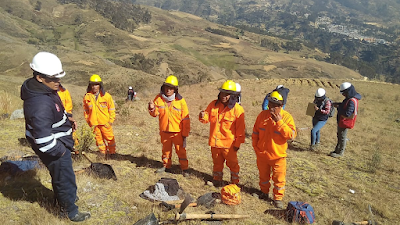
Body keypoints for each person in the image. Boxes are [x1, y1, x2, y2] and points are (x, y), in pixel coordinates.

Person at [21, 52, 90, 222]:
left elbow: (55, 109)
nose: (58, 81)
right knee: (64, 178)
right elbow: (44, 141)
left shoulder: (45, 89)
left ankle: (67, 199)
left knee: (64, 175)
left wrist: (66, 118)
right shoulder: (40, 104)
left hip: (59, 142)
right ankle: (69, 211)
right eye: (54, 78)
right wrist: (61, 152)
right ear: (39, 77)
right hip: (55, 147)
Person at [252, 89, 296, 209]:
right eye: (270, 103)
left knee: (279, 179)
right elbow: (255, 132)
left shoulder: (287, 117)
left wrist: (279, 122)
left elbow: (291, 135)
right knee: (263, 176)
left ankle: (277, 199)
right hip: (262, 154)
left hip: (278, 157)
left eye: (274, 105)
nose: (271, 107)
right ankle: (264, 192)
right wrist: (256, 147)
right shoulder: (262, 115)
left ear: (281, 106)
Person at [199, 80, 245, 186]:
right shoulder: (213, 104)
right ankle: (217, 180)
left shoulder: (238, 110)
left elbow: (240, 130)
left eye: (227, 94)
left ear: (233, 95)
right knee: (217, 164)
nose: (224, 96)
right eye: (222, 93)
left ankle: (234, 183)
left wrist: (237, 144)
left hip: (229, 145)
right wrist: (202, 116)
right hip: (215, 143)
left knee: (233, 165)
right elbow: (207, 118)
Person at [148, 75, 190, 176]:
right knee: (166, 150)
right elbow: (155, 114)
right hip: (164, 131)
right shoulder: (158, 98)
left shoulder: (181, 101)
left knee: (181, 151)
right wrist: (152, 108)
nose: (168, 90)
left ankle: (184, 169)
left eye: (171, 88)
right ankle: (166, 166)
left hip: (177, 132)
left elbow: (186, 119)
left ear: (175, 89)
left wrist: (185, 133)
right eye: (167, 87)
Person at [83, 74, 117, 157]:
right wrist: (89, 121)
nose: (94, 87)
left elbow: (111, 109)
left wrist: (110, 121)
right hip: (94, 124)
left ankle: (112, 153)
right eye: (92, 84)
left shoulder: (106, 96)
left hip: (105, 123)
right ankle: (103, 153)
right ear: (90, 85)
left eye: (96, 84)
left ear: (100, 85)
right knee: (98, 140)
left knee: (110, 139)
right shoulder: (87, 97)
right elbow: (86, 111)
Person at [330, 82, 361, 158]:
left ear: (348, 92)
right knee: (340, 136)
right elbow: (344, 106)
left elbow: (347, 113)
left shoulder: (351, 101)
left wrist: (338, 107)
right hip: (342, 121)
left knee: (342, 137)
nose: (343, 95)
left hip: (345, 122)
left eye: (344, 93)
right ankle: (337, 150)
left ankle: (340, 153)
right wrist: (337, 104)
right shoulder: (350, 99)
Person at [58, 83, 79, 150]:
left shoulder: (64, 92)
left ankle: (77, 149)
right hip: (56, 117)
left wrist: (67, 115)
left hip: (66, 115)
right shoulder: (50, 93)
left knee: (72, 132)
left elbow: (69, 104)